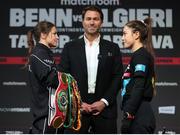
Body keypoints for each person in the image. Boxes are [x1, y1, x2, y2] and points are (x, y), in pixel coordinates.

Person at [58, 6, 123, 133]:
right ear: (83, 22)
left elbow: (117, 77)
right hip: (76, 111)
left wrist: (104, 102)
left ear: (101, 22)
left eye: (95, 19)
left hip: (105, 111)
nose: (92, 22)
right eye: (88, 19)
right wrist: (77, 102)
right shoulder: (69, 47)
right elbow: (63, 77)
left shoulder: (113, 48)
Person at [26, 21, 64, 133]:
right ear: (43, 34)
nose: (57, 37)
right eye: (54, 34)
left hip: (50, 116)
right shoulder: (39, 54)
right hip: (45, 117)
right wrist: (70, 82)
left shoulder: (44, 53)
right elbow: (53, 80)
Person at [120, 17, 156, 133]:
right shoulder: (138, 56)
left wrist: (129, 113)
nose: (122, 38)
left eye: (125, 34)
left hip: (139, 115)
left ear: (136, 35)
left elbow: (139, 86)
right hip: (137, 113)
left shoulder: (141, 56)